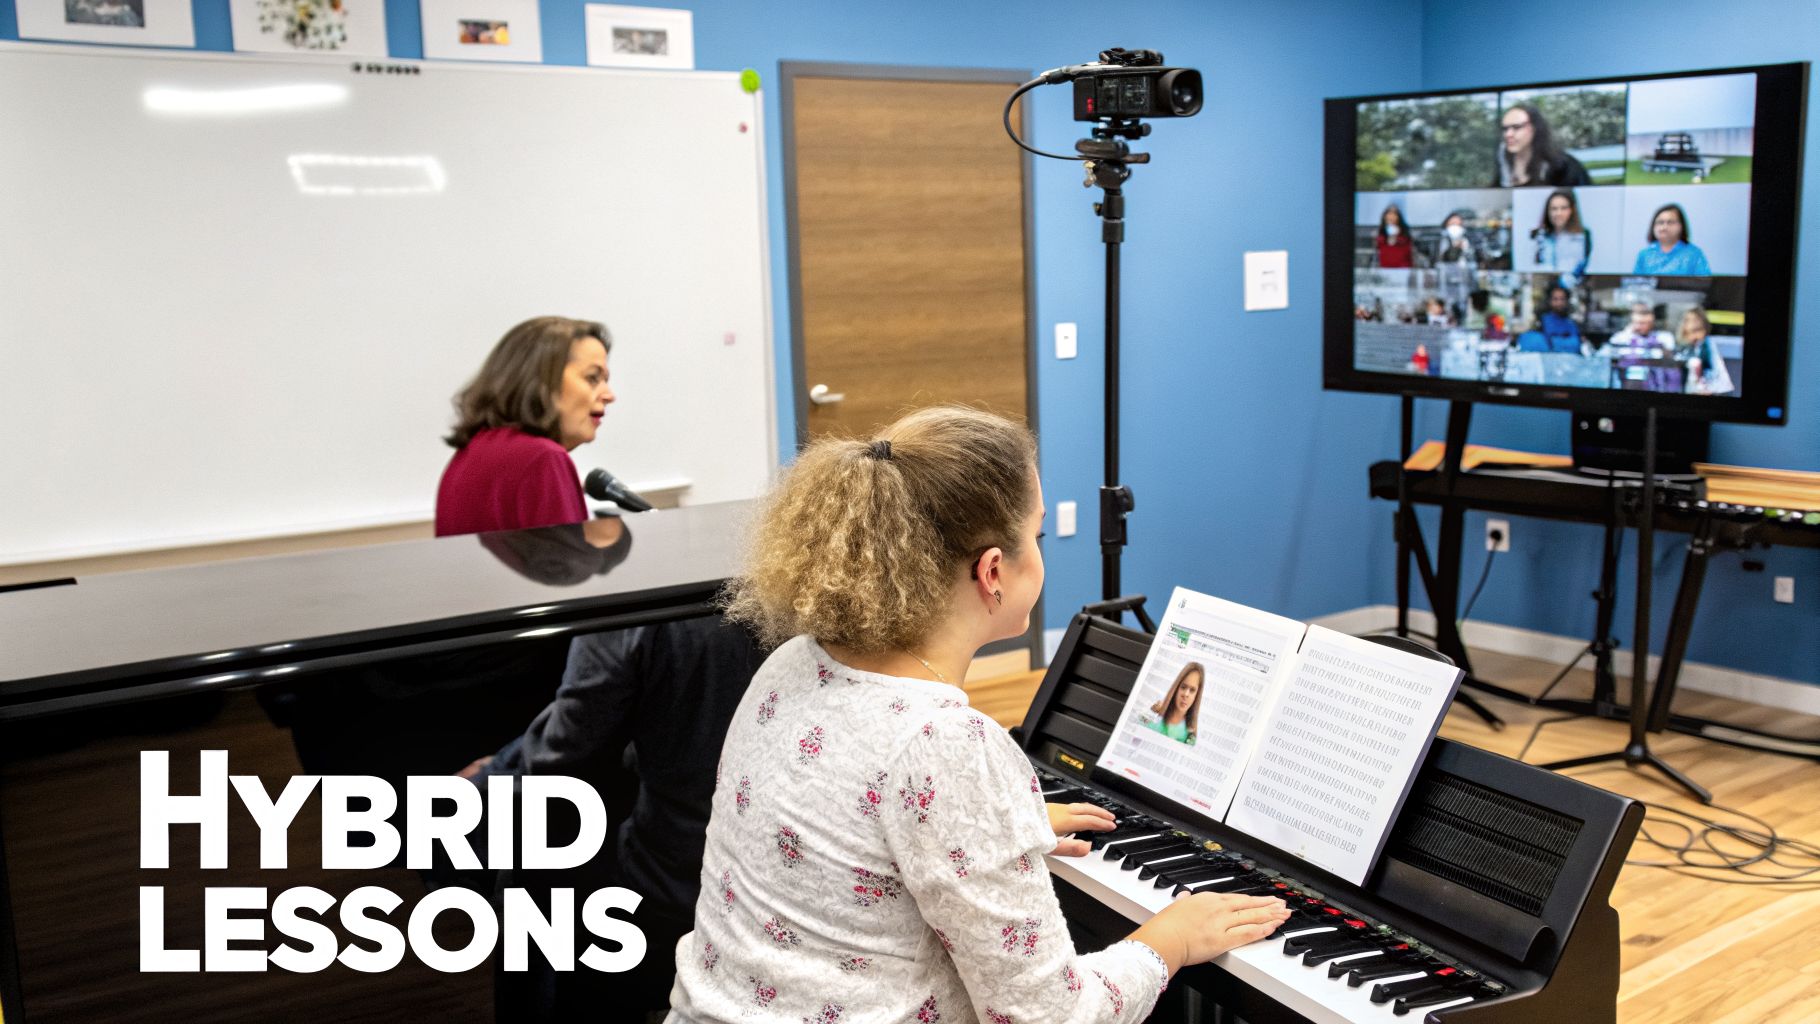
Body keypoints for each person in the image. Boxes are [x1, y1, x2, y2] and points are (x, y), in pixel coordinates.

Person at [668, 407, 1292, 1023]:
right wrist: (1170, 942)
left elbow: (847, 823)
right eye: (1038, 536)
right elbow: (1049, 1016)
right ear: (993, 571)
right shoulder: (944, 743)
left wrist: (990, 826)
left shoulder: (793, 662)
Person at [436, 316, 616, 537]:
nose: (609, 395)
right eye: (592, 378)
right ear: (542, 381)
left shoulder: (473, 449)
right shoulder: (543, 458)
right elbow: (565, 568)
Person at [1494, 102, 1590, 187]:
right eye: (1505, 129)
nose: (1508, 134)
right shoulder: (1504, 165)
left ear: (1535, 128)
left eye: (1517, 127)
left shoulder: (1564, 167)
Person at [1531, 189, 1592, 287]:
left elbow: (1584, 265)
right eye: (1554, 209)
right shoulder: (1540, 235)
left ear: (1571, 210)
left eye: (1563, 208)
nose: (1558, 213)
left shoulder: (1584, 234)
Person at [1632, 203, 1712, 276]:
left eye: (1670, 222)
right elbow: (1635, 285)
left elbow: (1704, 283)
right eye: (1660, 222)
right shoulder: (1645, 254)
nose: (1664, 227)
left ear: (1681, 226)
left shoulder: (1694, 254)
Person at [1675, 306, 1734, 395]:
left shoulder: (1708, 344)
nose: (1690, 324)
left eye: (1694, 320)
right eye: (1687, 320)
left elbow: (1712, 373)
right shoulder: (1686, 348)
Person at [1144, 662, 1203, 744]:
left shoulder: (1189, 738)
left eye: (1192, 690)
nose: (1186, 694)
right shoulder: (1153, 717)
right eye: (1183, 687)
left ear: (1197, 696)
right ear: (1176, 688)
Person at [1434, 213, 1478, 322]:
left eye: (1459, 224)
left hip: (1464, 282)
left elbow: (1474, 261)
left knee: (1464, 311)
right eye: (1453, 223)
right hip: (1446, 282)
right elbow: (1444, 259)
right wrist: (1455, 247)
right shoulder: (1441, 241)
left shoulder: (1468, 240)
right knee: (1448, 312)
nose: (1456, 226)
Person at [1606, 302, 1674, 355]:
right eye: (1636, 322)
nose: (1639, 326)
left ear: (1652, 323)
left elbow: (1671, 358)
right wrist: (1627, 333)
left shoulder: (1664, 337)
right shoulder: (1620, 338)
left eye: (1643, 323)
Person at [1532, 284, 1583, 353]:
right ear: (1549, 301)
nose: (1559, 303)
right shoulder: (1542, 322)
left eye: (1562, 299)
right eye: (1555, 299)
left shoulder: (1571, 324)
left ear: (1567, 301)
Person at [1374, 203, 1415, 268]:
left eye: (1394, 214)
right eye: (1389, 213)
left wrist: (1396, 237)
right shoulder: (1380, 237)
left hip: (1403, 272)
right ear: (1385, 217)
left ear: (1399, 217)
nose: (1391, 216)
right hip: (1385, 272)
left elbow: (1410, 257)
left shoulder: (1405, 237)